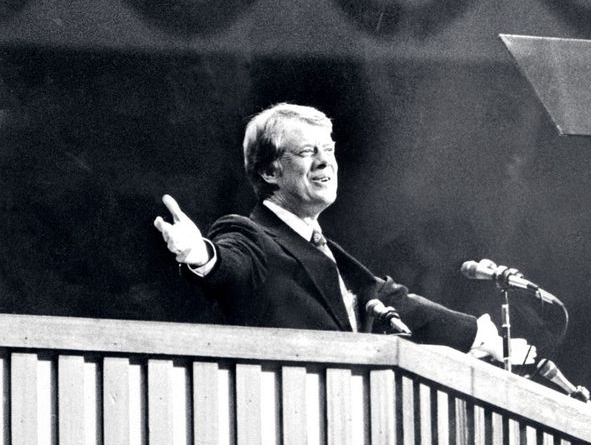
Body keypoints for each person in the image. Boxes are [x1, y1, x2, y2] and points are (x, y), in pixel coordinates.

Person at [154, 103, 534, 363]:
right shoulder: (250, 235)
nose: (325, 161)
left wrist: (487, 340)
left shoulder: (327, 251)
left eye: (329, 149)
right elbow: (229, 263)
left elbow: (397, 305)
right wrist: (201, 255)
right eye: (306, 151)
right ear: (270, 172)